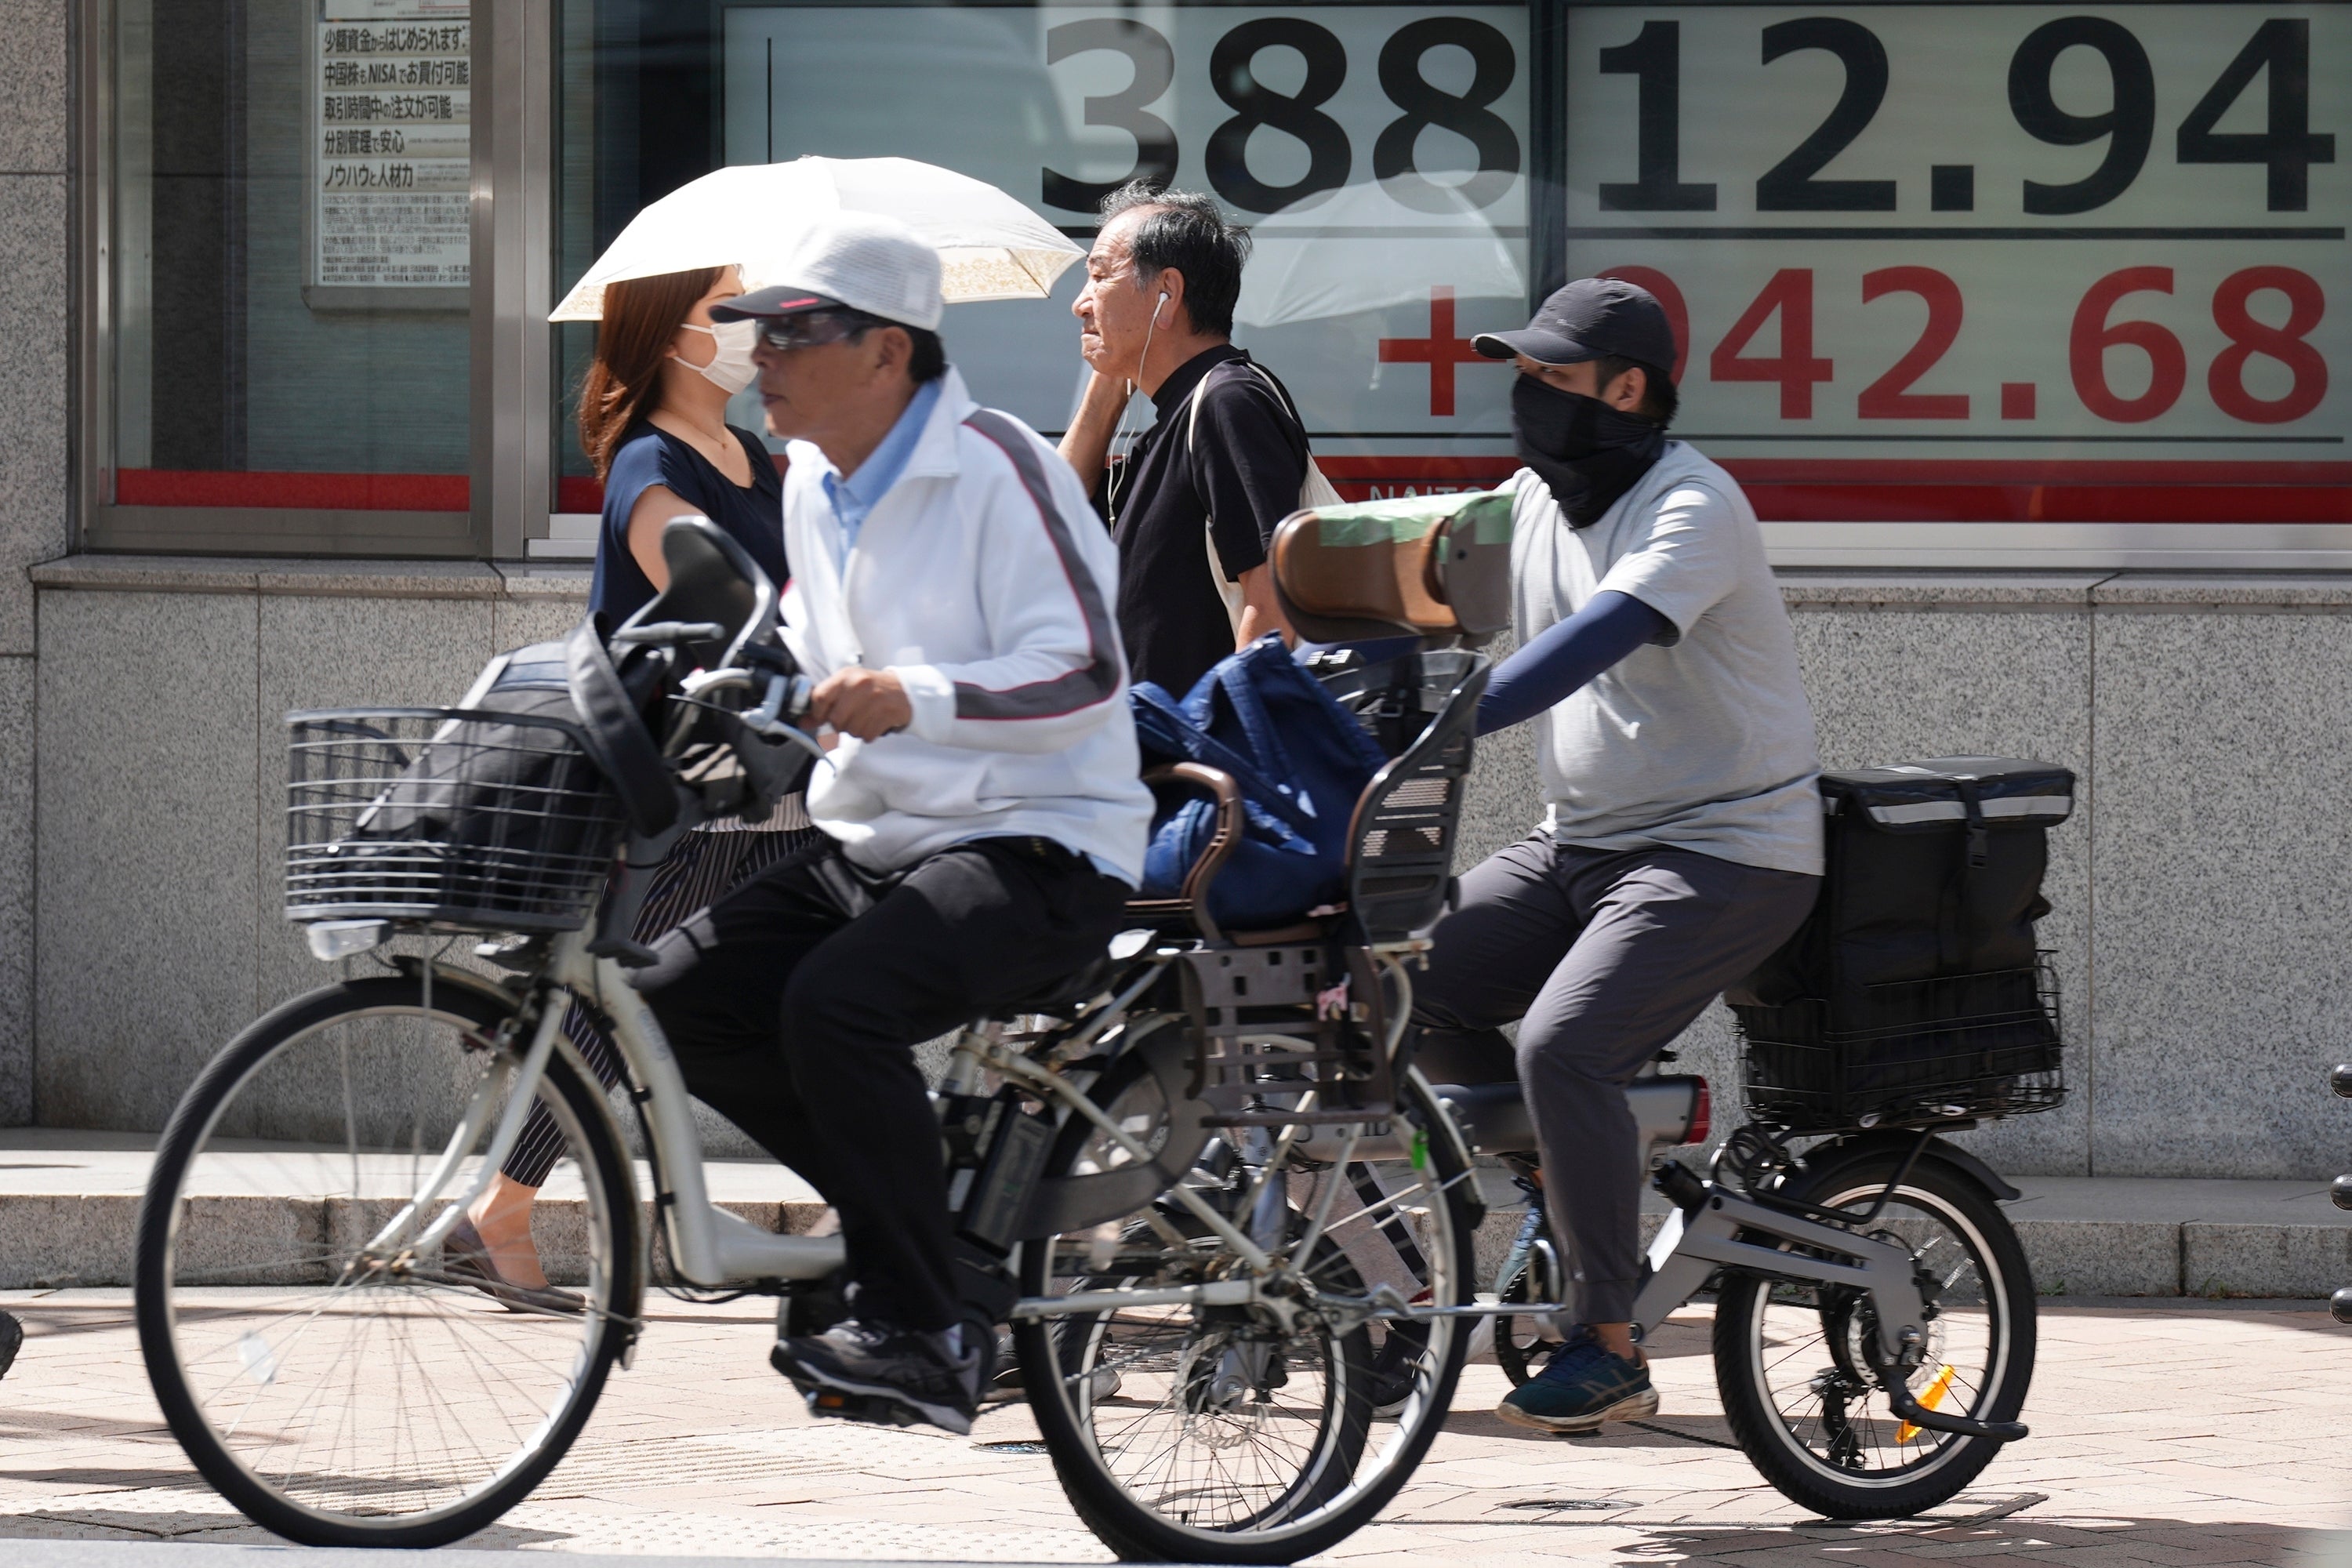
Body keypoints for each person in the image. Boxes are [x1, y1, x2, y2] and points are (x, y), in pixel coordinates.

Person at [631, 214, 1152, 1436]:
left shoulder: (1000, 469)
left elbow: (1083, 671)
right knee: (676, 993)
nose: (761, 355)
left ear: (888, 353)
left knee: (836, 1004)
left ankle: (926, 1327)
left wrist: (910, 696)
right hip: (879, 838)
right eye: (758, 329)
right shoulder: (815, 478)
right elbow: (819, 639)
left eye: (795, 333)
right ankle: (917, 1236)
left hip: (1043, 841)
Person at [1409, 278, 1826, 1434]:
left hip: (1727, 850)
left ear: (1627, 389)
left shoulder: (1695, 505)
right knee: (1406, 963)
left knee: (1566, 1045)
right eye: (1522, 373)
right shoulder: (1536, 498)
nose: (1525, 396)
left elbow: (1593, 642)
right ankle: (1571, 1167)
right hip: (1584, 843)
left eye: (1551, 375)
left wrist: (1447, 717)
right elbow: (1423, 567)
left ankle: (1607, 1339)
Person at [448, 263, 822, 1312]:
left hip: (771, 776)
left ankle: (875, 1205)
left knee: (815, 983)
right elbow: (706, 597)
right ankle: (501, 1210)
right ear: (668, 334)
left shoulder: (759, 458)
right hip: (684, 781)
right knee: (618, 1004)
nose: (751, 335)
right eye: (726, 314)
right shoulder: (649, 462)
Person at [1058, 181, 1312, 698]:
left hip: (1205, 761)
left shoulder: (1228, 402)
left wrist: (1225, 743)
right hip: (1151, 758)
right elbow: (1052, 508)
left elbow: (1272, 602)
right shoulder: (1176, 415)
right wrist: (1112, 380)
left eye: (1100, 276)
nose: (1080, 305)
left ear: (1167, 293)